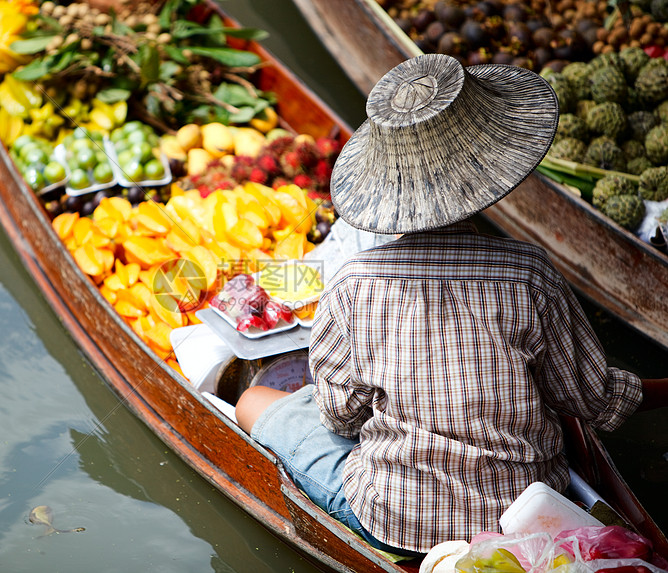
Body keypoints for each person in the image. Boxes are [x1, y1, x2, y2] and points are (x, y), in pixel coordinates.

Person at [235, 53, 668, 557]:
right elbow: (596, 401)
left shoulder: (354, 284)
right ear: (490, 161)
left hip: (393, 518)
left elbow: (340, 417)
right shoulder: (529, 272)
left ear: (387, 187)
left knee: (254, 402)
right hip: (521, 517)